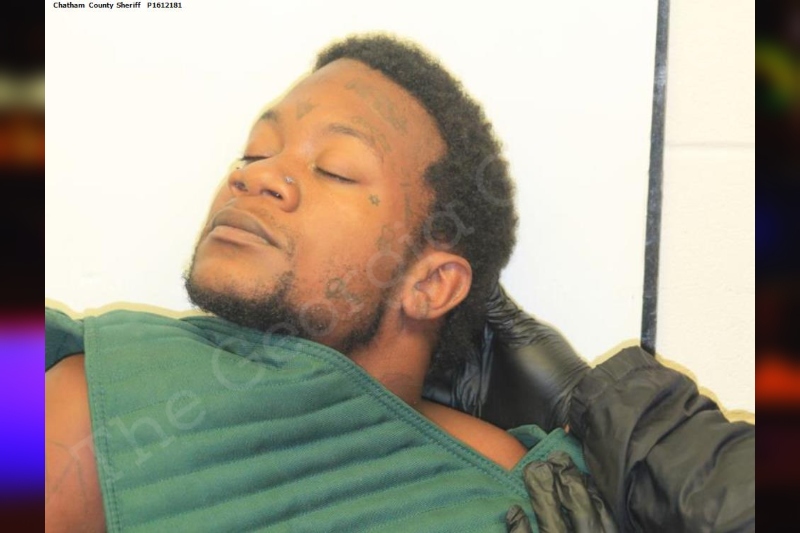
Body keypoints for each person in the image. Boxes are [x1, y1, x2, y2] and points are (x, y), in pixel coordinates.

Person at [46, 34, 754, 532]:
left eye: (334, 168)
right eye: (256, 151)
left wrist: (618, 416)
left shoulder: (546, 492)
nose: (256, 176)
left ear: (432, 283)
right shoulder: (98, 389)